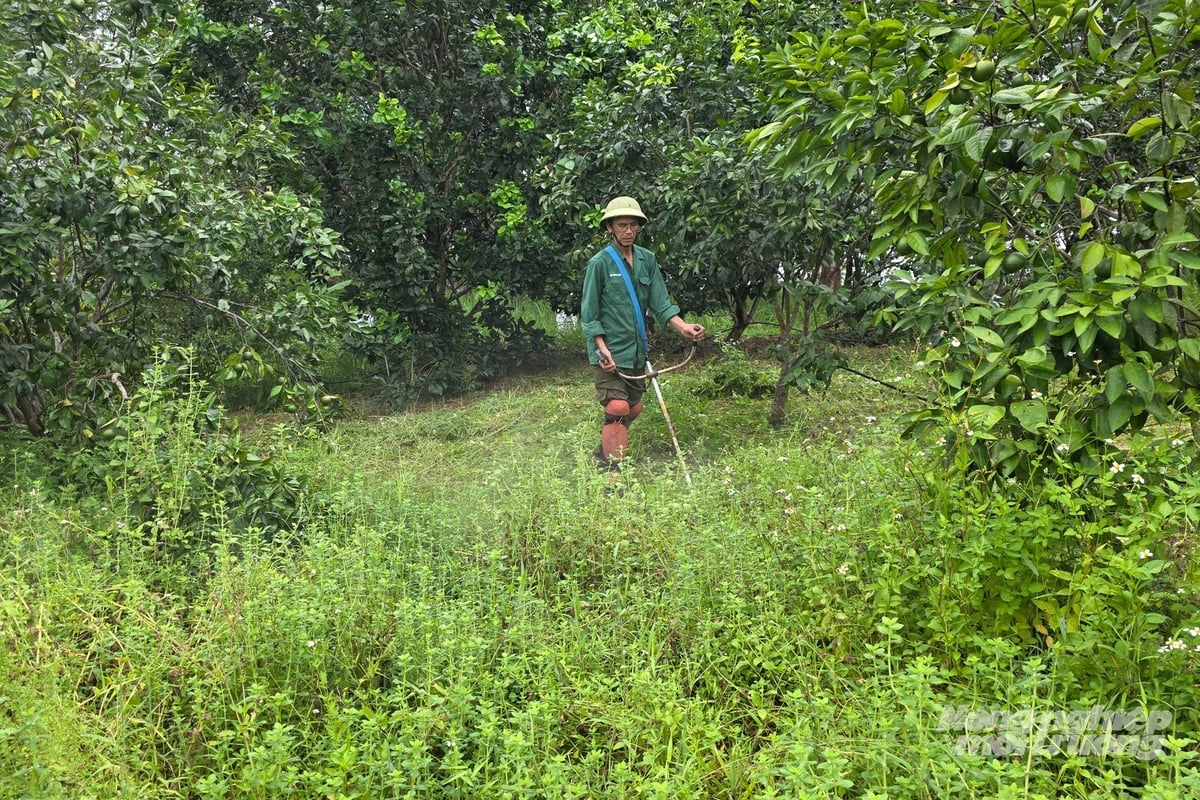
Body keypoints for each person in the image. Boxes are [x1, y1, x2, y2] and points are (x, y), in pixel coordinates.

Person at [580, 196, 704, 470]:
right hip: (609, 352)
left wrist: (684, 327)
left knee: (633, 408)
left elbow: (661, 303)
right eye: (622, 225)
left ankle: (603, 451)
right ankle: (613, 476)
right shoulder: (599, 264)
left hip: (636, 349)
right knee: (618, 408)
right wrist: (602, 347)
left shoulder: (647, 259)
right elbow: (589, 314)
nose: (628, 231)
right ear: (610, 227)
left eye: (633, 225)